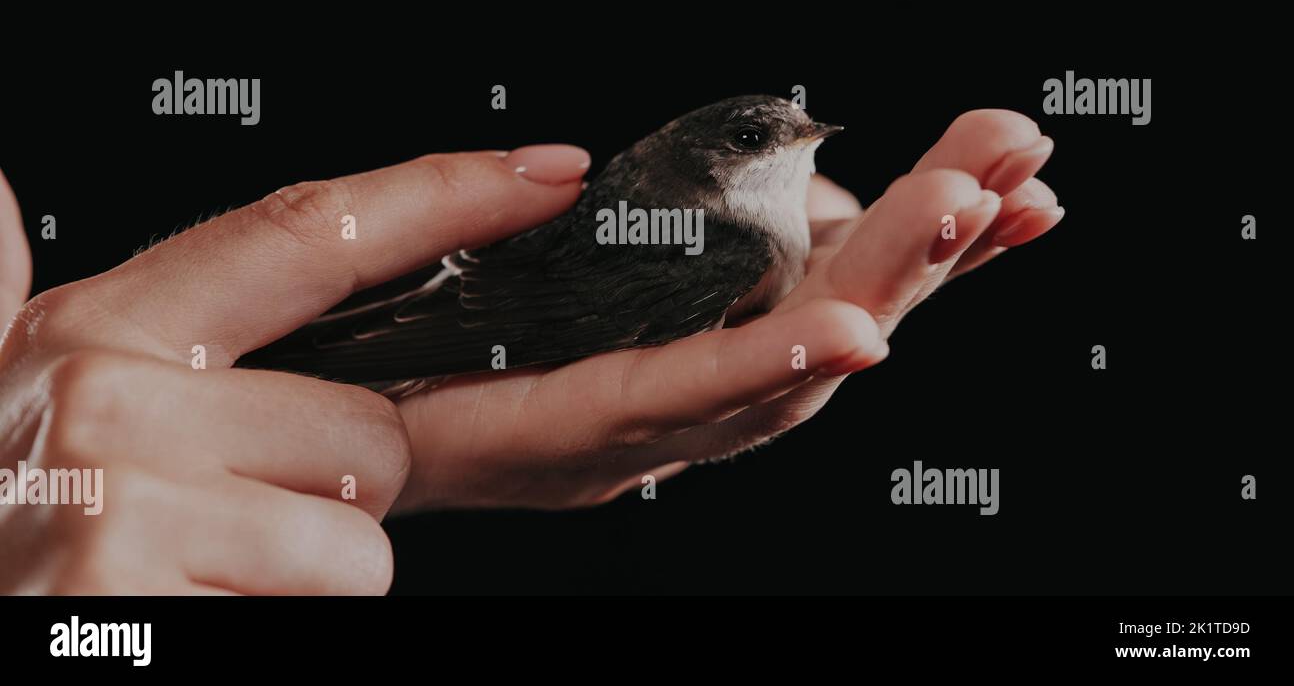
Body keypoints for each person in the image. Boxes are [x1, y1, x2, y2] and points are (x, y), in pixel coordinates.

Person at [0, 110, 1062, 594]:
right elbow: (536, 305)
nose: (800, 138)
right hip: (453, 310)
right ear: (705, 161)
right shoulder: (714, 248)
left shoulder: (728, 238)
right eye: (757, 137)